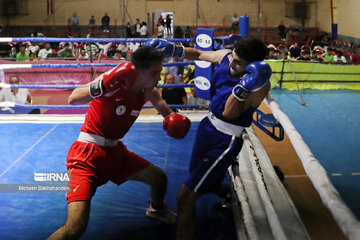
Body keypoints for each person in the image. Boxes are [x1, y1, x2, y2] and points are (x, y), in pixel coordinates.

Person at [48, 46, 191, 239]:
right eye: (155, 73)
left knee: (159, 179)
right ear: (138, 72)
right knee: (75, 228)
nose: (159, 77)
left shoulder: (149, 91)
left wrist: (172, 119)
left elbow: (163, 108)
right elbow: (72, 99)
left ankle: (156, 209)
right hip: (87, 154)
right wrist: (104, 84)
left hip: (116, 153)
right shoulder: (113, 82)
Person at [146, 37, 271, 240]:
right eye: (234, 57)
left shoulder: (260, 86)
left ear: (254, 66)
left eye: (239, 63)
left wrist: (242, 88)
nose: (233, 63)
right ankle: (230, 194)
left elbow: (230, 113)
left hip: (226, 139)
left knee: (185, 197)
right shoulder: (227, 57)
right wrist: (174, 50)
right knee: (200, 177)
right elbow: (198, 54)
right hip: (208, 126)